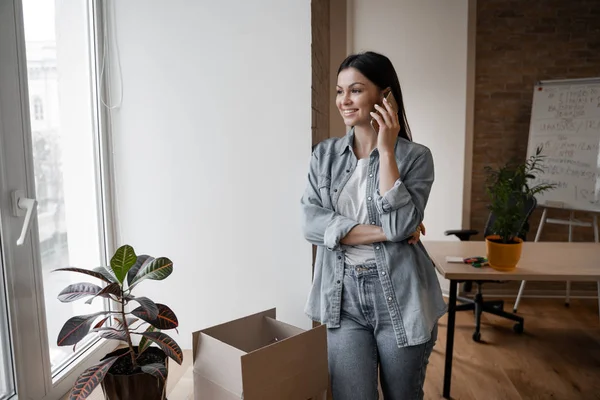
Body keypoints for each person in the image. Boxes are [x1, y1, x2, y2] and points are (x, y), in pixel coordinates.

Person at [301, 51, 447, 399]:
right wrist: (387, 233)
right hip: (341, 296)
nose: (343, 101)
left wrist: (388, 150)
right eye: (340, 91)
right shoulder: (324, 156)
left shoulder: (416, 157)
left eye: (355, 90)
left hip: (401, 294)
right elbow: (311, 224)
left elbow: (398, 221)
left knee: (402, 395)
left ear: (385, 97)